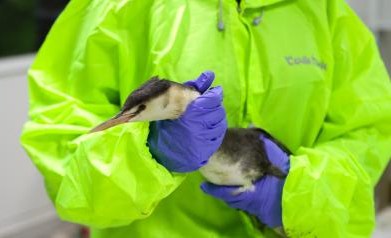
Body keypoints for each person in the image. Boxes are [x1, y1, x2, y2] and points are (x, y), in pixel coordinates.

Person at [21, 0, 391, 237]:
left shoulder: (325, 12)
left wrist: (299, 196)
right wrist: (148, 155)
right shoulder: (112, 8)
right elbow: (64, 160)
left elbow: (368, 131)